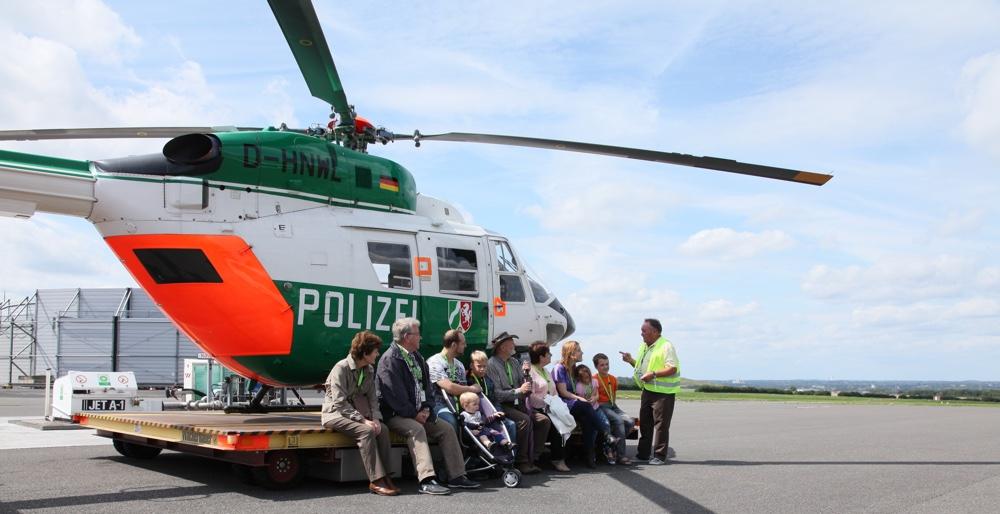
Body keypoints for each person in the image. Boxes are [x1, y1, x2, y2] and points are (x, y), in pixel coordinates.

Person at [376, 317, 480, 494]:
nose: (421, 338)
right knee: (417, 429)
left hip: (418, 411)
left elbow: (427, 387)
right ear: (407, 337)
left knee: (446, 429)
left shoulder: (416, 357)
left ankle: (457, 476)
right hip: (396, 414)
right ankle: (426, 479)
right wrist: (414, 413)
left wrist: (426, 409)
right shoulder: (390, 360)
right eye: (418, 334)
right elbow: (395, 395)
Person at [321, 330, 399, 496]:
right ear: (365, 353)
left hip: (354, 413)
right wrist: (363, 421)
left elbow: (372, 399)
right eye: (375, 351)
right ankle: (376, 480)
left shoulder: (369, 370)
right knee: (366, 431)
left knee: (382, 429)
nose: (377, 354)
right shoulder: (341, 368)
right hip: (335, 414)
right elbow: (340, 403)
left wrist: (376, 419)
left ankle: (386, 476)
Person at [486, 332, 548, 475]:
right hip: (503, 405)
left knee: (543, 421)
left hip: (517, 403)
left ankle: (534, 457)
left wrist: (527, 376)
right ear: (502, 347)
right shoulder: (492, 364)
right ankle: (522, 461)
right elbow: (497, 394)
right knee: (524, 420)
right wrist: (518, 391)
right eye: (511, 342)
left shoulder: (514, 362)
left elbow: (524, 385)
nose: (514, 345)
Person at [621, 318, 680, 465]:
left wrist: (653, 374)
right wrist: (630, 361)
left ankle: (659, 456)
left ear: (655, 332)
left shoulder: (666, 346)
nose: (641, 334)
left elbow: (672, 368)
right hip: (647, 390)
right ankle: (643, 454)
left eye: (644, 330)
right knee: (645, 424)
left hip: (663, 393)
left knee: (661, 425)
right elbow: (642, 368)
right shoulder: (645, 346)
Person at [552, 340, 608, 468]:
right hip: (563, 403)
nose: (582, 352)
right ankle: (606, 433)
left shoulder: (574, 369)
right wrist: (579, 398)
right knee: (585, 406)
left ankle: (589, 456)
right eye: (579, 350)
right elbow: (563, 392)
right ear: (571, 354)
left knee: (588, 421)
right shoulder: (559, 368)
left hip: (572, 402)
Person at [526, 341, 569, 472]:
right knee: (557, 423)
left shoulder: (545, 371)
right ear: (541, 357)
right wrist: (546, 403)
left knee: (564, 419)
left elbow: (554, 390)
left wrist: (556, 403)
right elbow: (530, 395)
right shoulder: (531, 372)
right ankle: (554, 459)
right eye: (548, 353)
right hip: (536, 408)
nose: (551, 355)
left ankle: (561, 457)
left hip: (549, 406)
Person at [427, 329, 481, 430]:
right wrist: (473, 388)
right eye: (463, 343)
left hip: (460, 404)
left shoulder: (459, 365)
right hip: (439, 404)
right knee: (452, 422)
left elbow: (463, 390)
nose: (465, 346)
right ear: (453, 345)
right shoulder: (434, 362)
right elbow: (450, 387)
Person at [467, 350, 519, 449]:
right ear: (471, 365)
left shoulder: (488, 381)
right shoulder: (467, 381)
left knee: (511, 425)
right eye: (479, 366)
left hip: (491, 416)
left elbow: (494, 400)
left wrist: (498, 411)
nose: (482, 369)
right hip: (476, 418)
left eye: (484, 366)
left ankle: (509, 459)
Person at [593, 352, 634, 465]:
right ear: (596, 367)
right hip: (601, 405)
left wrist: (614, 407)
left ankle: (612, 444)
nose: (605, 367)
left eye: (607, 364)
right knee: (618, 420)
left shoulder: (613, 379)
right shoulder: (594, 379)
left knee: (630, 422)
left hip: (612, 405)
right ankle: (621, 456)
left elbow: (613, 396)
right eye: (602, 365)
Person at [573, 363, 617, 465]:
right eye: (584, 378)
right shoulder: (578, 386)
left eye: (588, 376)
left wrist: (594, 398)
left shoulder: (594, 381)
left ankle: (607, 448)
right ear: (579, 378)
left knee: (606, 423)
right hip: (587, 410)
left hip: (596, 408)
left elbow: (596, 394)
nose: (587, 379)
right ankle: (591, 454)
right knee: (593, 431)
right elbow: (578, 398)